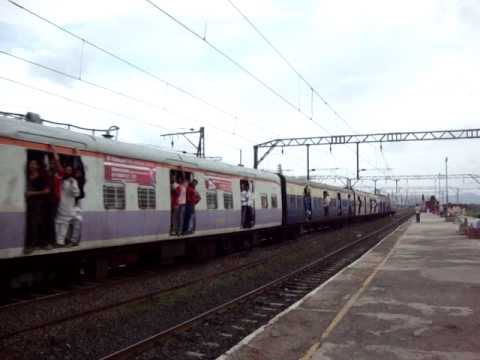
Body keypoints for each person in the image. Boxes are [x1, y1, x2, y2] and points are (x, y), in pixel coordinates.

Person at [25, 159, 50, 252]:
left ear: (38, 167)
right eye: (30, 163)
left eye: (34, 164)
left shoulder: (41, 178)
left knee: (35, 224)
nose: (31, 165)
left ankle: (34, 245)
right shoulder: (27, 177)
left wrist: (32, 193)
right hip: (29, 203)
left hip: (38, 203)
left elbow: (47, 191)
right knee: (30, 223)